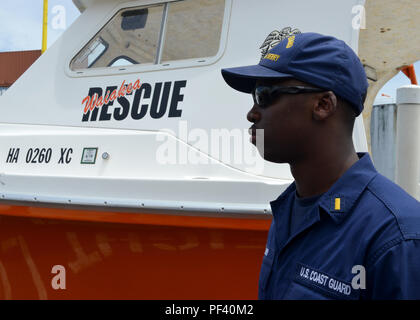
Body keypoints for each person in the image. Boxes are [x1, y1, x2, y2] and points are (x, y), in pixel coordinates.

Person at [221, 32, 420, 299]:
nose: (252, 113)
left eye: (265, 95)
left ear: (323, 104)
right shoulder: (290, 208)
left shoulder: (397, 236)